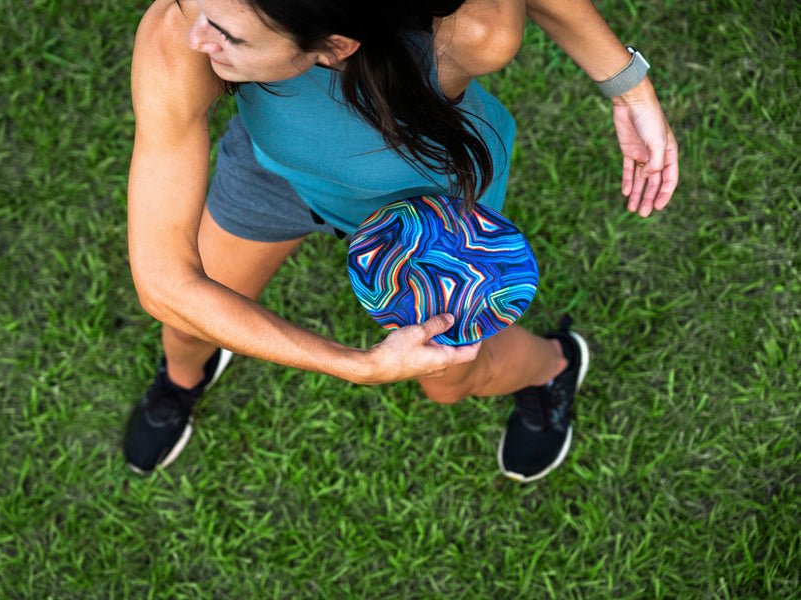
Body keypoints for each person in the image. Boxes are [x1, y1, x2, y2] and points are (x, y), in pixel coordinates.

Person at [124, 0, 679, 481]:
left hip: (435, 219)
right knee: (187, 321)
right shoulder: (181, 31)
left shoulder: (476, 35)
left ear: (334, 47)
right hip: (276, 178)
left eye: (229, 36)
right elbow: (165, 283)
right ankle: (181, 382)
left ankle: (555, 365)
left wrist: (628, 87)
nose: (199, 33)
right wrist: (353, 364)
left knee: (449, 382)